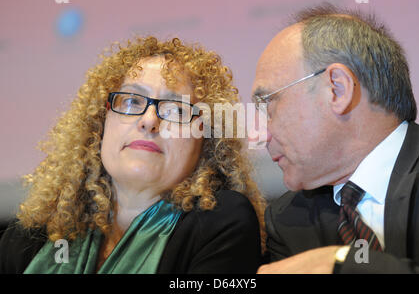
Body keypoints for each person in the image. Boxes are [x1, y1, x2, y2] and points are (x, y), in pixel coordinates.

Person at [0, 36, 266, 274]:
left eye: (176, 110)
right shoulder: (31, 237)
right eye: (131, 101)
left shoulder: (221, 222)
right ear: (99, 124)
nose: (149, 121)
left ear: (207, 141)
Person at [252, 3, 419, 273]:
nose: (262, 134)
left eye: (268, 104)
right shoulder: (287, 219)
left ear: (337, 89)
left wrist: (341, 265)